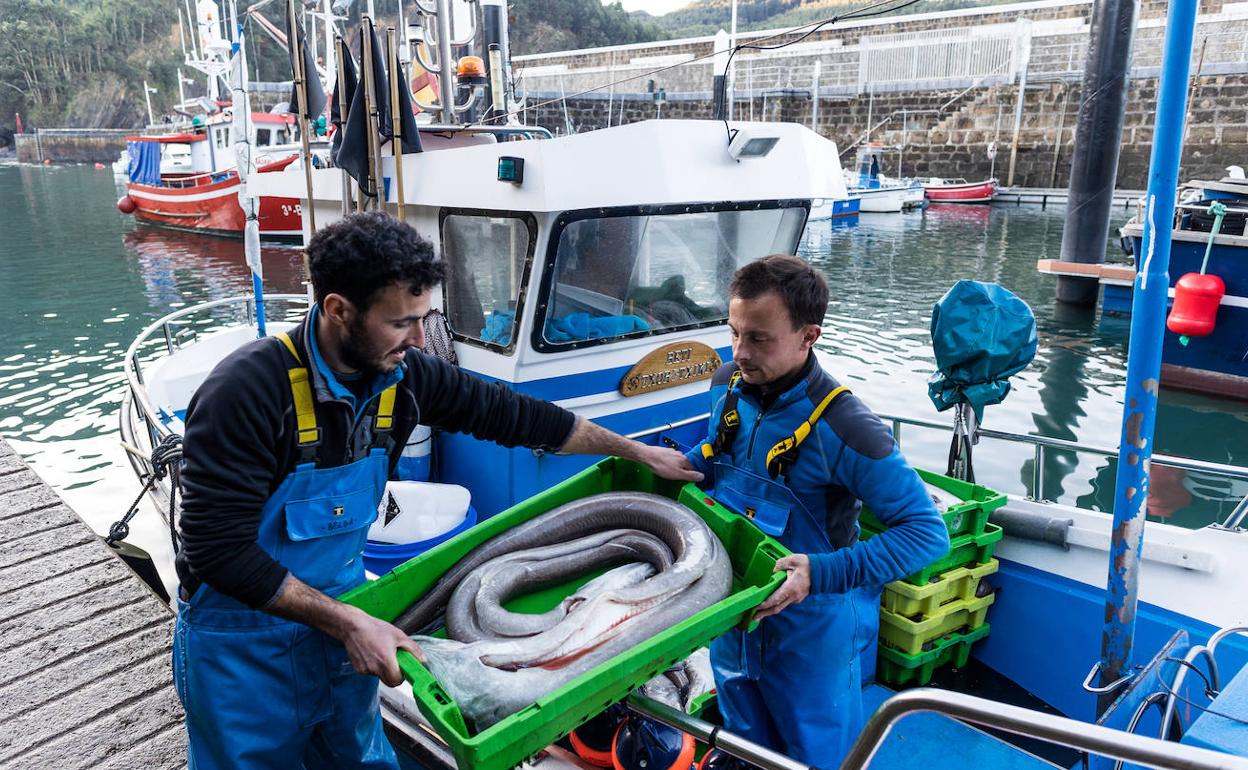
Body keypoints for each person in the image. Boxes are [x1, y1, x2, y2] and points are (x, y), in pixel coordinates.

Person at [173, 211, 702, 769]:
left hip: (346, 630)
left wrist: (636, 452)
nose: (421, 338)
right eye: (402, 321)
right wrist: (348, 622)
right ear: (337, 310)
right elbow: (217, 550)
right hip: (243, 652)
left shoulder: (407, 377)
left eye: (425, 317)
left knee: (358, 758)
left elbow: (520, 418)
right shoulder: (247, 391)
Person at [685, 254, 949, 767]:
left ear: (810, 335)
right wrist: (684, 465)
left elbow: (926, 533)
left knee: (816, 757)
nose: (739, 352)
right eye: (734, 332)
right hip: (733, 617)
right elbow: (718, 463)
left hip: (812, 636)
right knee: (744, 743)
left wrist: (819, 573)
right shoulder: (725, 387)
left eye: (759, 338)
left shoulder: (849, 428)